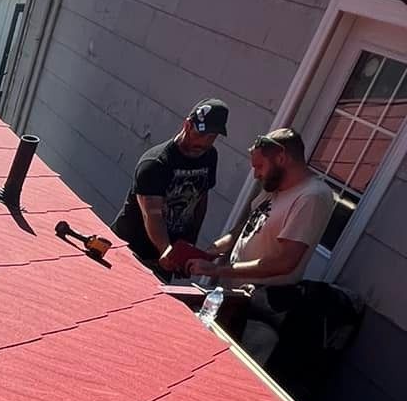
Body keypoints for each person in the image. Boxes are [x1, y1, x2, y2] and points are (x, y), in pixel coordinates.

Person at [192, 128, 335, 290]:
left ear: (281, 158)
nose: (256, 175)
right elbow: (248, 227)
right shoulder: (275, 185)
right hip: (232, 289)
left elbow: (285, 262)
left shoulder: (312, 196)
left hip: (258, 299)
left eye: (259, 166)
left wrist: (218, 270)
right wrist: (210, 252)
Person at [112, 99, 228, 272]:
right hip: (131, 249)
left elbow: (201, 200)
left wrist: (188, 247)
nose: (204, 142)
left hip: (169, 257)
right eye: (201, 134)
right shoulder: (155, 162)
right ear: (188, 125)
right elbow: (151, 214)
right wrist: (165, 249)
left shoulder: (209, 156)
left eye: (212, 137)